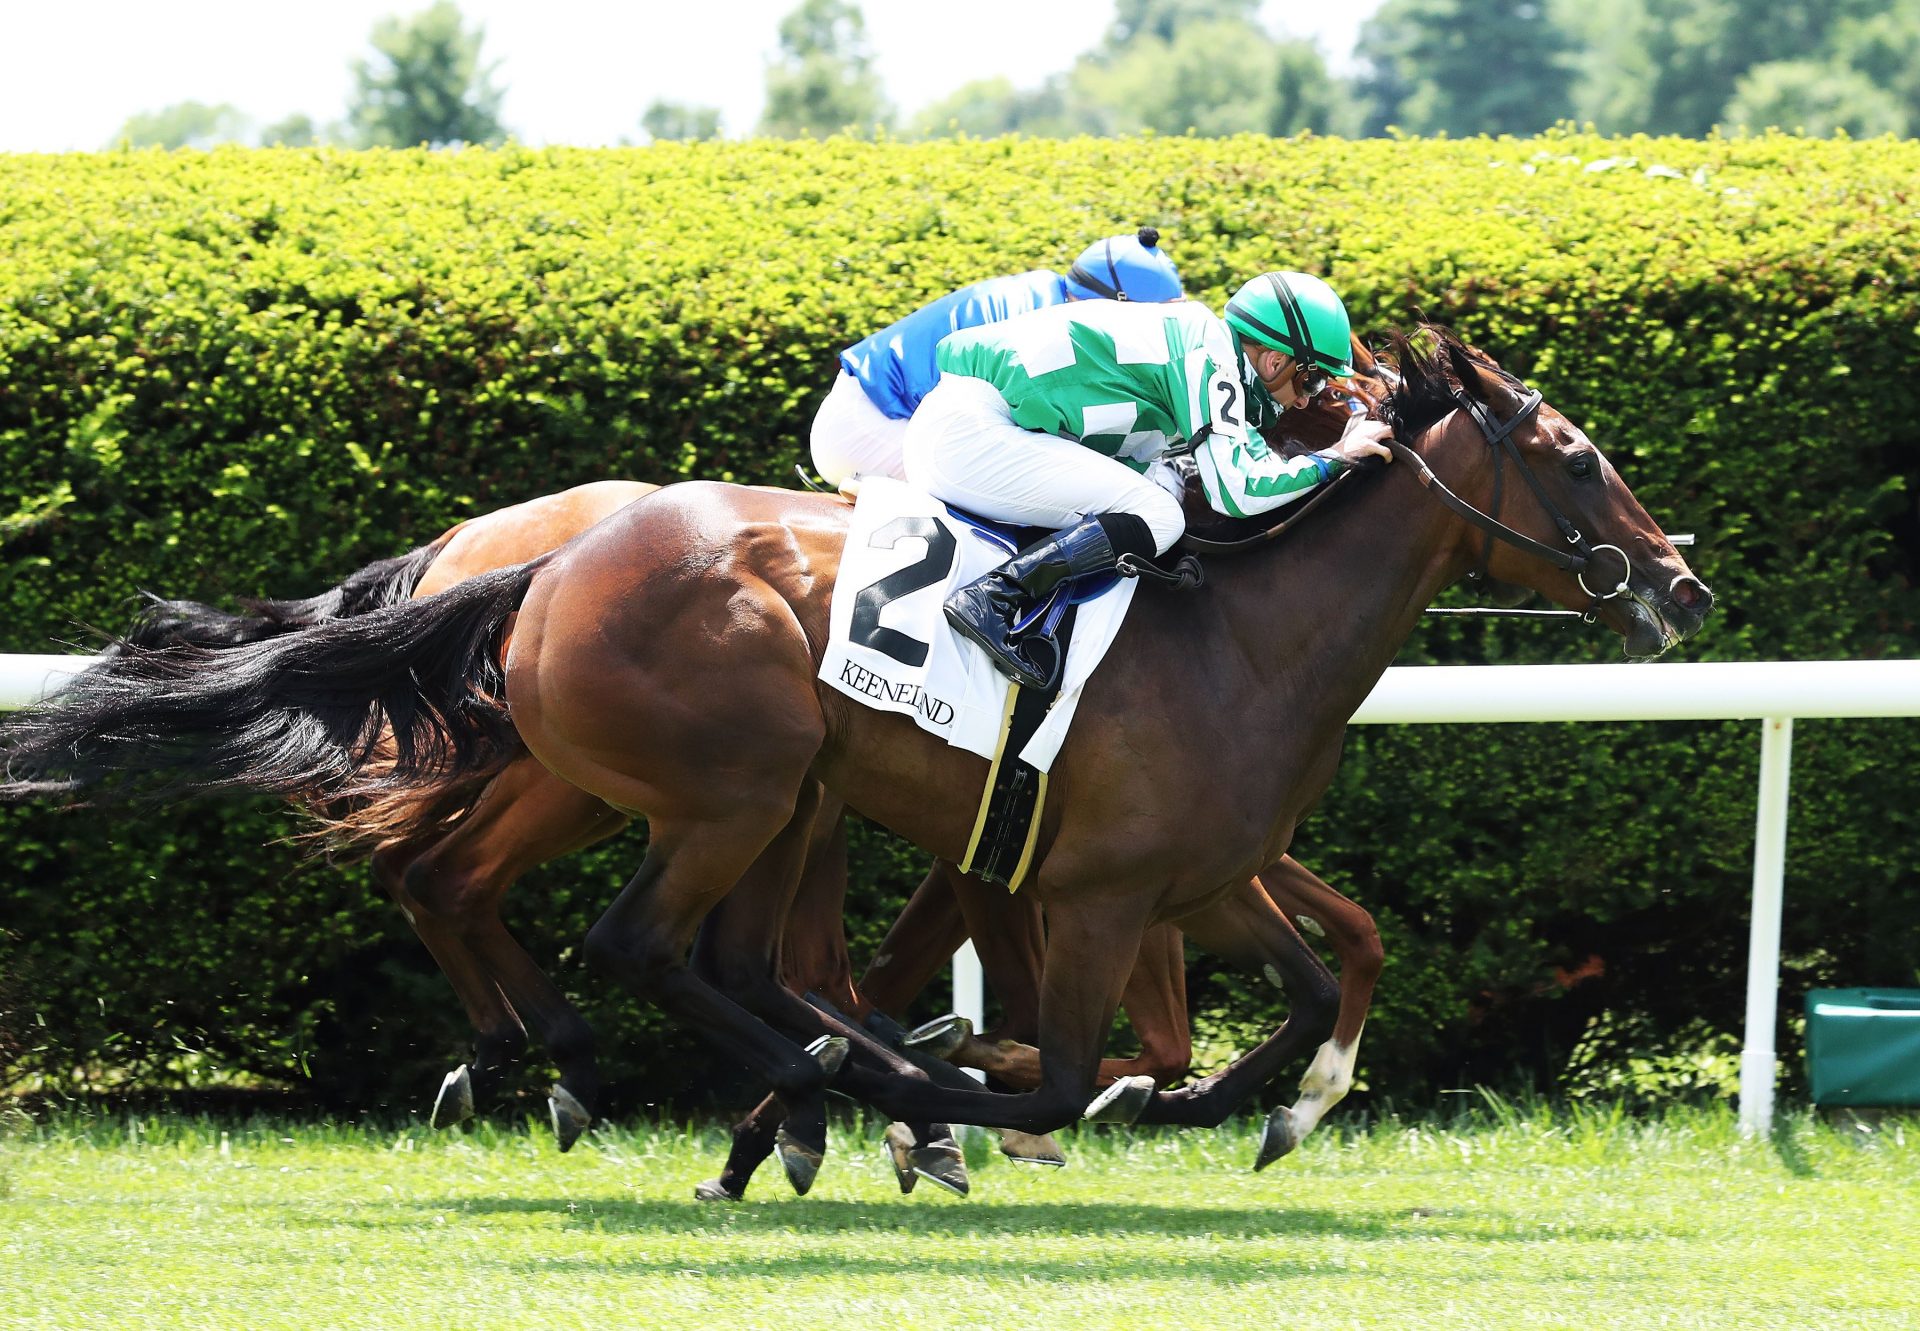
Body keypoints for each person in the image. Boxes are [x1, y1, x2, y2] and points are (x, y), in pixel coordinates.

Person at [902, 270, 1394, 690]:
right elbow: (1239, 492)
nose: (1307, 401)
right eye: (1311, 381)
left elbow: (1155, 467)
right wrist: (1336, 456)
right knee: (1158, 516)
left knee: (1160, 495)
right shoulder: (1210, 357)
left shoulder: (1195, 343)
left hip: (968, 425)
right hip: (972, 435)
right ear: (1274, 361)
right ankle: (995, 597)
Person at [810, 228, 1184, 488]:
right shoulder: (1044, 320)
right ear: (1111, 302)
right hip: (874, 423)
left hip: (878, 414)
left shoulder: (1051, 293)